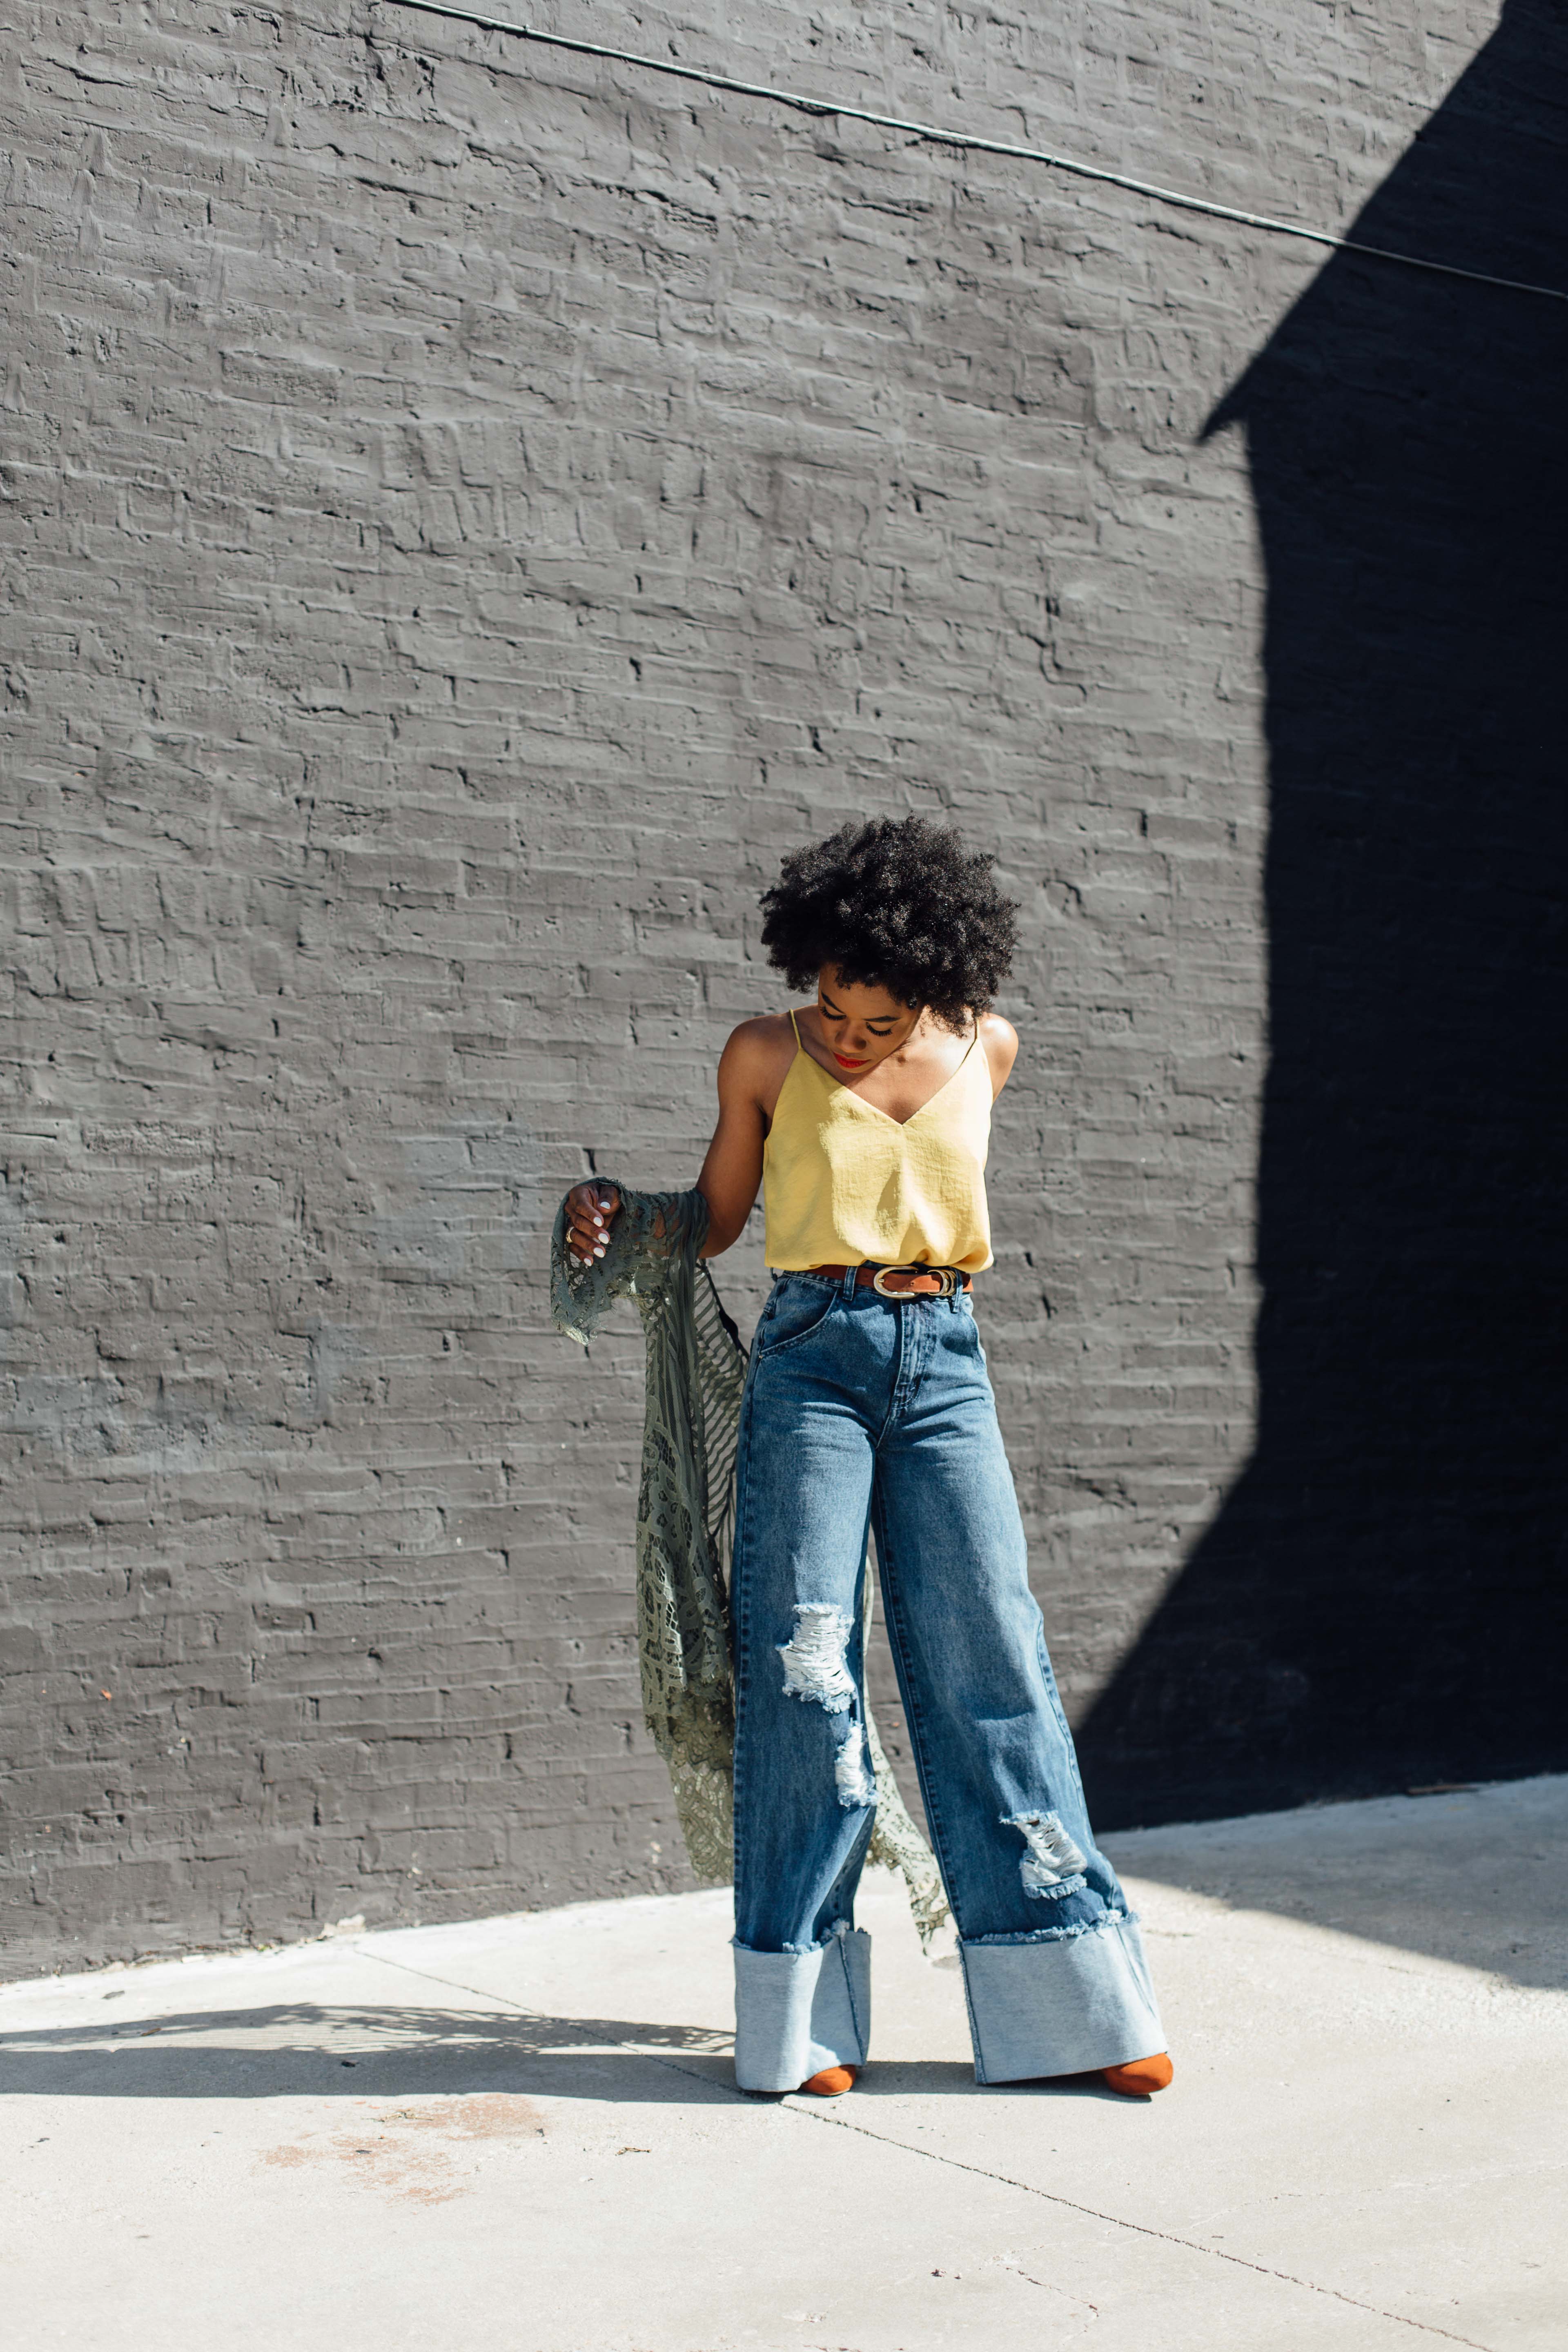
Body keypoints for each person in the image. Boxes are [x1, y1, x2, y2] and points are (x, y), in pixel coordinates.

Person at [565, 816, 1172, 2100]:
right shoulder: (762, 1057)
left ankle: (1075, 1997)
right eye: (832, 1008)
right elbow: (719, 1222)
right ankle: (802, 2015)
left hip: (947, 1360)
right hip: (813, 1361)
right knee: (802, 1661)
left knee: (991, 1650)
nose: (847, 1038)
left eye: (879, 1023)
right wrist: (617, 1216)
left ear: (943, 995)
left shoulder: (990, 1049)